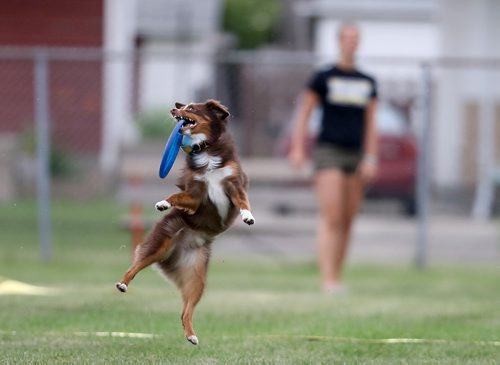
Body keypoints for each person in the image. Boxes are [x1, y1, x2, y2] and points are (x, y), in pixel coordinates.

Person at [288, 23, 378, 293]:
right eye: (347, 38)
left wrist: (371, 157)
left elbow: (372, 123)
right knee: (332, 216)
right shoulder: (324, 77)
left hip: (356, 154)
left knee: (349, 219)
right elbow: (304, 113)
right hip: (329, 152)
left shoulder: (367, 81)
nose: (351, 42)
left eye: (356, 38)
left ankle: (337, 277)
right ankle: (327, 280)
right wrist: (298, 148)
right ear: (339, 42)